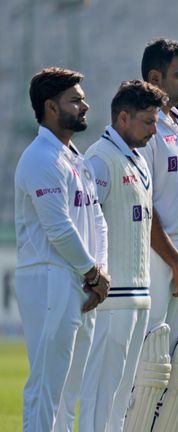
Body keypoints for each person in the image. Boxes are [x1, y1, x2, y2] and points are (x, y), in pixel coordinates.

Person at [15, 67, 109, 432]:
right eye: (75, 100)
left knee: (71, 391)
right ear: (51, 107)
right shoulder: (40, 158)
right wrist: (93, 273)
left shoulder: (74, 157)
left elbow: (97, 219)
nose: (85, 106)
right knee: (47, 384)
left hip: (81, 279)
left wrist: (99, 271)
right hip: (49, 276)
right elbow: (58, 228)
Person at [123, 39, 178, 432]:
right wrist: (175, 263)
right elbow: (146, 202)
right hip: (156, 257)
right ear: (155, 77)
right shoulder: (146, 128)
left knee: (176, 362)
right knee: (148, 359)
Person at [79, 80, 165, 432]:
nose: (154, 130)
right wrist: (94, 276)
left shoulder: (137, 158)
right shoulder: (100, 159)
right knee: (101, 392)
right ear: (123, 118)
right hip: (111, 299)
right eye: (148, 121)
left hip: (138, 295)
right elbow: (85, 222)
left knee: (122, 395)